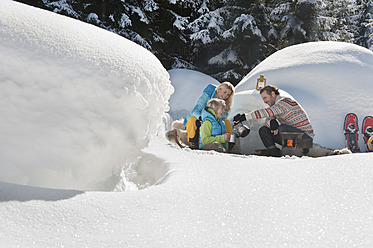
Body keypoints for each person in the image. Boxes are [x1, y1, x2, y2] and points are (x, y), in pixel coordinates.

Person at [233, 85, 314, 157]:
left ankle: (296, 152)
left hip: (305, 141)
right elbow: (268, 119)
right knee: (263, 130)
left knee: (283, 127)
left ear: (272, 94)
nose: (264, 101)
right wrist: (272, 121)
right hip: (293, 139)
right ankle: (274, 151)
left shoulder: (286, 102)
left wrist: (244, 117)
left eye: (265, 98)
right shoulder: (275, 107)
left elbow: (267, 112)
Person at [184, 82, 235, 149]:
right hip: (200, 118)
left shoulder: (224, 102)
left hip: (213, 121)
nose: (225, 96)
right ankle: (192, 143)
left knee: (226, 122)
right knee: (192, 120)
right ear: (219, 90)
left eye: (228, 94)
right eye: (224, 92)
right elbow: (196, 110)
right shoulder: (207, 95)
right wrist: (201, 118)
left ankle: (229, 143)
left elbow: (223, 115)